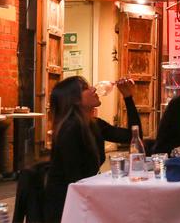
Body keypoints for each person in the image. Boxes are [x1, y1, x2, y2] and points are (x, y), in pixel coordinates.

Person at [44, 77, 141, 222]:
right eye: (85, 87)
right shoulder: (69, 130)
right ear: (74, 100)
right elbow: (76, 180)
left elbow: (133, 135)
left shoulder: (94, 124)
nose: (94, 89)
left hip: (84, 197)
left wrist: (128, 97)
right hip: (67, 207)